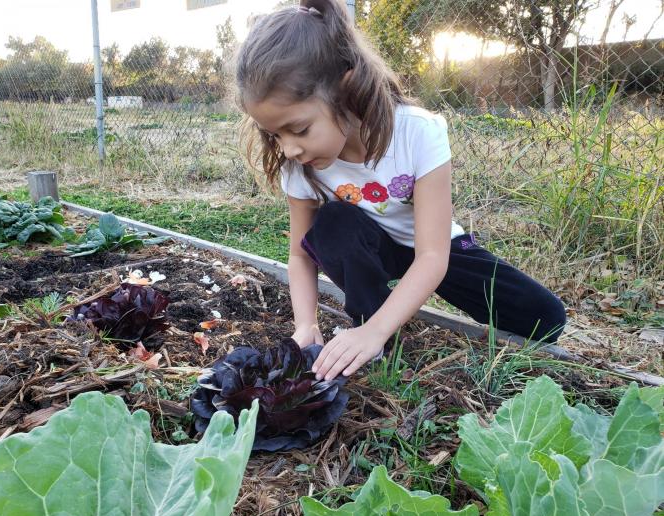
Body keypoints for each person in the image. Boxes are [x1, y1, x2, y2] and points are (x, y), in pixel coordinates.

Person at [235, 0, 566, 383]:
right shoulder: (300, 165)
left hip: (432, 250)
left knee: (544, 319)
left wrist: (377, 330)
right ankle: (371, 324)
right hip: (371, 248)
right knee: (333, 222)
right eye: (276, 134)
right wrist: (305, 325)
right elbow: (299, 255)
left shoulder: (416, 133)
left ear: (343, 89)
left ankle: (377, 328)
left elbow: (431, 255)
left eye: (300, 129)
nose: (289, 148)